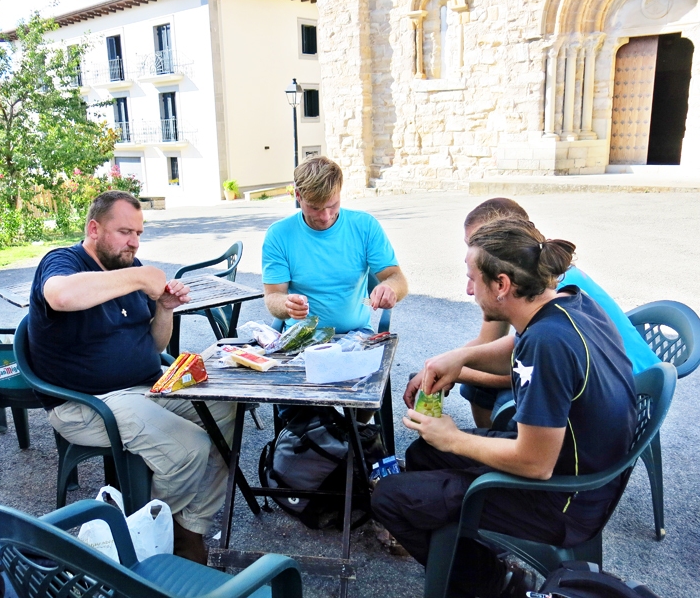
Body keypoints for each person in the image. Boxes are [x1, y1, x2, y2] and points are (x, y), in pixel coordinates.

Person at [371, 218, 637, 598]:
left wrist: (454, 438)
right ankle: (469, 551)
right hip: (585, 471)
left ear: (502, 285)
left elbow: (534, 463)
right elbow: (518, 348)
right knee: (423, 453)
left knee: (390, 498)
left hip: (565, 502)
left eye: (472, 278)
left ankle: (498, 584)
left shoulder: (548, 345)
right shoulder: (570, 303)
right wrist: (460, 358)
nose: (467, 290)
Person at [27, 190, 235, 564]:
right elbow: (59, 297)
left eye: (138, 233)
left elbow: (154, 347)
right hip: (86, 403)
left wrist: (165, 309)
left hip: (144, 388)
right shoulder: (63, 261)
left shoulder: (128, 268)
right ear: (94, 228)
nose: (134, 242)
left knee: (224, 411)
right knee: (189, 447)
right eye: (124, 232)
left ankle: (190, 527)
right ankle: (151, 536)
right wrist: (140, 276)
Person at [457, 198, 659, 428]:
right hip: (618, 379)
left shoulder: (547, 288)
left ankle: (494, 454)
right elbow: (489, 342)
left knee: (497, 396)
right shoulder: (536, 268)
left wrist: (457, 374)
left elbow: (531, 371)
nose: (473, 251)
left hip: (628, 386)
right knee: (480, 384)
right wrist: (443, 364)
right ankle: (489, 449)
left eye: (480, 241)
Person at [261, 156, 408, 422]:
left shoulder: (363, 226)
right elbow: (272, 297)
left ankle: (350, 438)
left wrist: (388, 289)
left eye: (333, 205)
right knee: (300, 413)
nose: (326, 217)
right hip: (300, 339)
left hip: (355, 334)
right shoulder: (279, 235)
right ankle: (325, 441)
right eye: (315, 208)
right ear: (297, 196)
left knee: (362, 398)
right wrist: (286, 305)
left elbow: (396, 278)